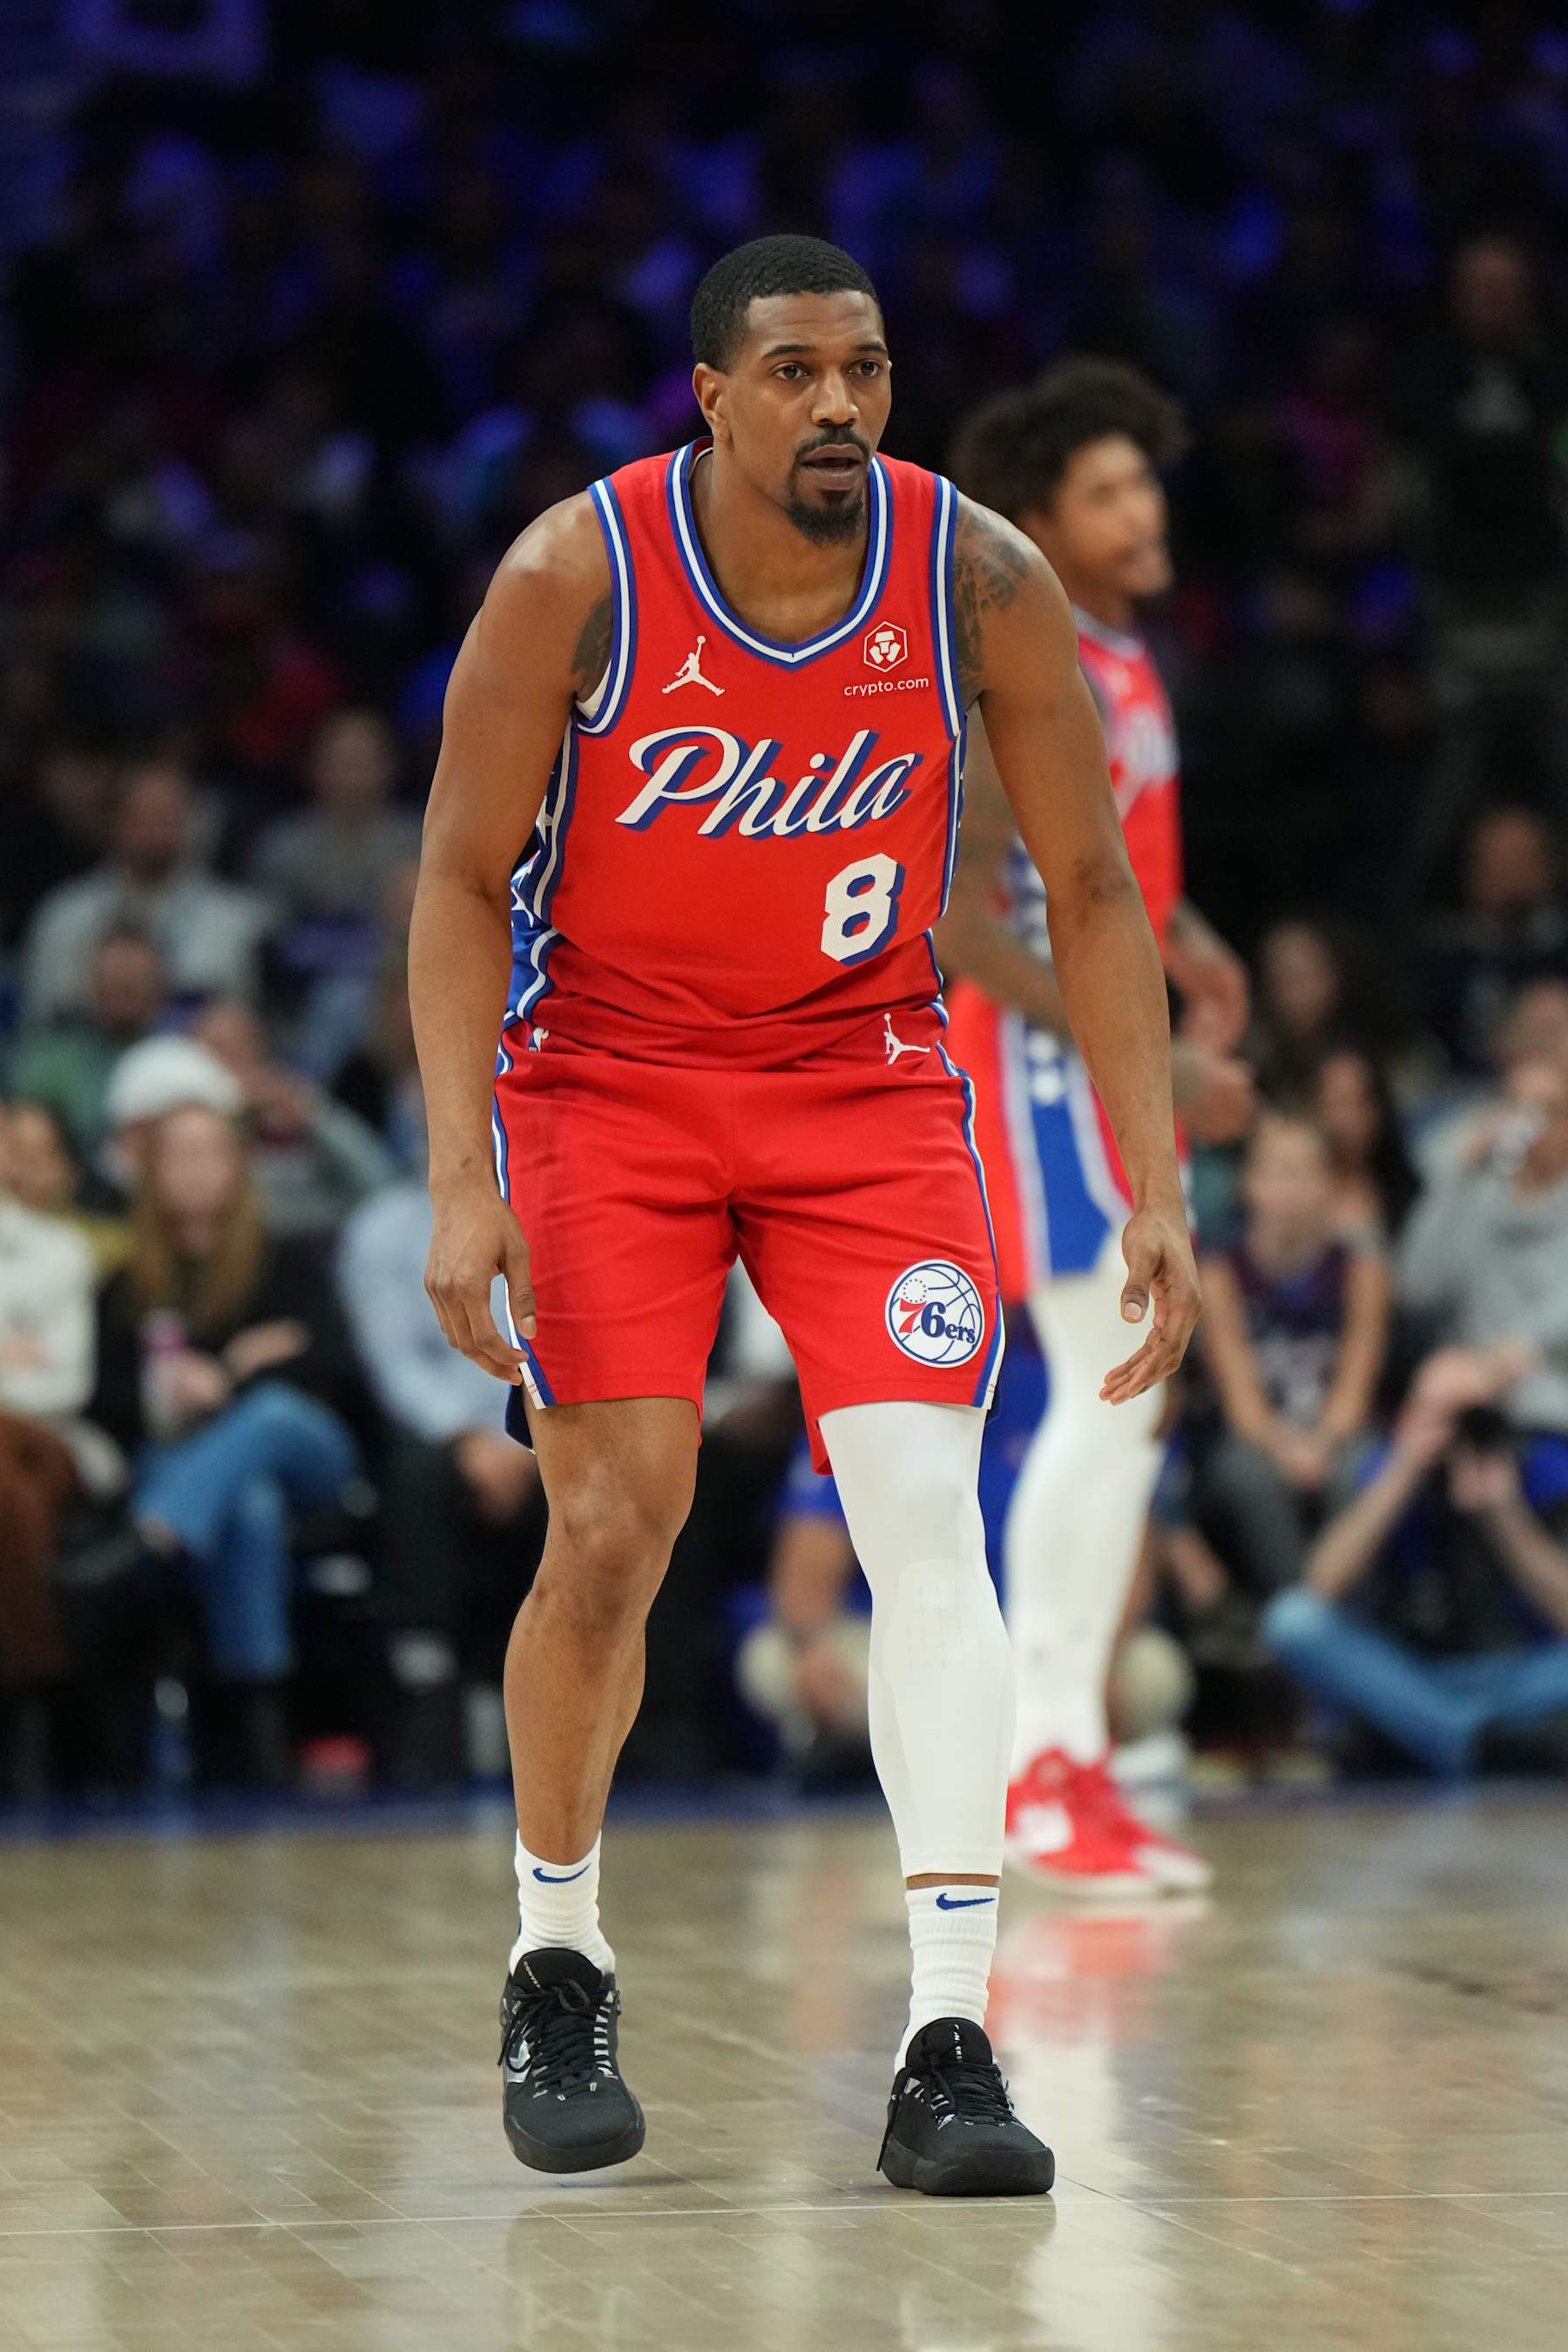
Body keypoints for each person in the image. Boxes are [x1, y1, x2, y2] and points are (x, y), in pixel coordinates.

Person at [410, 236, 1200, 2197]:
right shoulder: (571, 576)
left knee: (930, 1516)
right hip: (605, 1089)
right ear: (715, 394)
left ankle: (951, 2032)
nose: (837, 403)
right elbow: (449, 875)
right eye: (794, 373)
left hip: (861, 1088)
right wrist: (458, 1174)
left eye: (864, 370)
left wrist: (1151, 1176)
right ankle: (559, 1952)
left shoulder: (977, 577)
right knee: (613, 1525)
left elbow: (1091, 891)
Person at [941, 357, 1250, 1895]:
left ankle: (1060, 1753)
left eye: (1147, 481)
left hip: (1105, 1036)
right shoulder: (1029, 661)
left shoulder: (1122, 658)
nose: (1144, 509)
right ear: (1043, 520)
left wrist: (1187, 944)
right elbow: (966, 917)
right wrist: (1156, 1051)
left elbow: (1111, 859)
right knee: (1107, 1383)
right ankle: (1038, 1758)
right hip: (1042, 1058)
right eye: (1108, 490)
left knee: (1132, 1396)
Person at [90, 1104, 360, 1788]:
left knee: (270, 1416)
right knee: (251, 1508)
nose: (198, 1169)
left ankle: (155, 1534)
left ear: (239, 1165)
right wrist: (186, 1383)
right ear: (152, 1173)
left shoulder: (288, 1259)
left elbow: (332, 1368)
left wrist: (231, 1374)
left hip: (312, 1454)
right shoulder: (128, 1286)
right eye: (180, 1153)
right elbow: (109, 1405)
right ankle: (255, 1722)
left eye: (212, 1151)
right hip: (190, 1459)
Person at [1264, 1346, 1568, 1777]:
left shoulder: (1539, 1467)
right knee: (1290, 1620)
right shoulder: (1385, 1468)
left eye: (1469, 1415)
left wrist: (1506, 1516)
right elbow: (1319, 1587)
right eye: (1437, 1414)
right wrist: (1401, 1475)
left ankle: (1440, 1738)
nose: (1454, 1431)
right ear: (1408, 1416)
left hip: (1518, 1675)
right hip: (1411, 1674)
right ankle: (1473, 1742)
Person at [339, 1170, 544, 1788]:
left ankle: (571, 1708)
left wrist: (534, 1433)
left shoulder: (557, 1206)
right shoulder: (382, 1229)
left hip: (548, 1423)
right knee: (415, 1475)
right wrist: (468, 1435)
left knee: (602, 1481)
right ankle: (426, 1694)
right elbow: (394, 1363)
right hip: (439, 1438)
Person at [1200, 1111, 1389, 1596]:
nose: (1291, 1189)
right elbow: (1241, 1398)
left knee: (1364, 1471)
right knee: (1248, 1474)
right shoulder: (1221, 1275)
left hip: (1336, 1432)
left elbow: (1355, 1387)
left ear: (1331, 1185)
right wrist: (1285, 1447)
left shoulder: (1360, 1271)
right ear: (1250, 1183)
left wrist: (1321, 1443)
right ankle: (1292, 1616)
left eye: (1306, 1172)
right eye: (1278, 1171)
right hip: (1263, 1436)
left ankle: (1350, 1620)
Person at [19, 761, 273, 1029]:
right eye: (142, 816)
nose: (155, 833)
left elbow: (254, 1032)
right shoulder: (63, 917)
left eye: (167, 817)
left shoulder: (240, 922)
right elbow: (41, 1028)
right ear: (113, 822)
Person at [0, 1105, 98, 1782]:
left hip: (53, 1438)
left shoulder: (61, 1252)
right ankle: (38, 1681)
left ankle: (25, 1694)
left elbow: (64, 1385)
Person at [1398, 1049, 1568, 1438]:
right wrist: (1456, 1175)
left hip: (1550, 1397)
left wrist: (1496, 1368)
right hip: (1461, 1394)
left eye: (1547, 1110)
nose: (1531, 1124)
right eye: (1517, 1105)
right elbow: (1417, 1288)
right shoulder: (1473, 1190)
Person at [190, 1000, 393, 1238]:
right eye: (216, 1051)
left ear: (261, 1056)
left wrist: (313, 1114)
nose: (228, 1065)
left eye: (239, 1050)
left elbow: (379, 1183)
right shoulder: (184, 1127)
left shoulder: (297, 1120)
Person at [5, 924, 169, 1153]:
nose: (119, 992)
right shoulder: (48, 1060)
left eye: (130, 985)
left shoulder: (180, 1059)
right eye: (110, 982)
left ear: (159, 985)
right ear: (91, 982)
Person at [1308, 1044, 1422, 1245]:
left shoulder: (1404, 1192)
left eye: (1360, 1102)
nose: (1348, 1119)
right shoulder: (1289, 1188)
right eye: (1337, 1102)